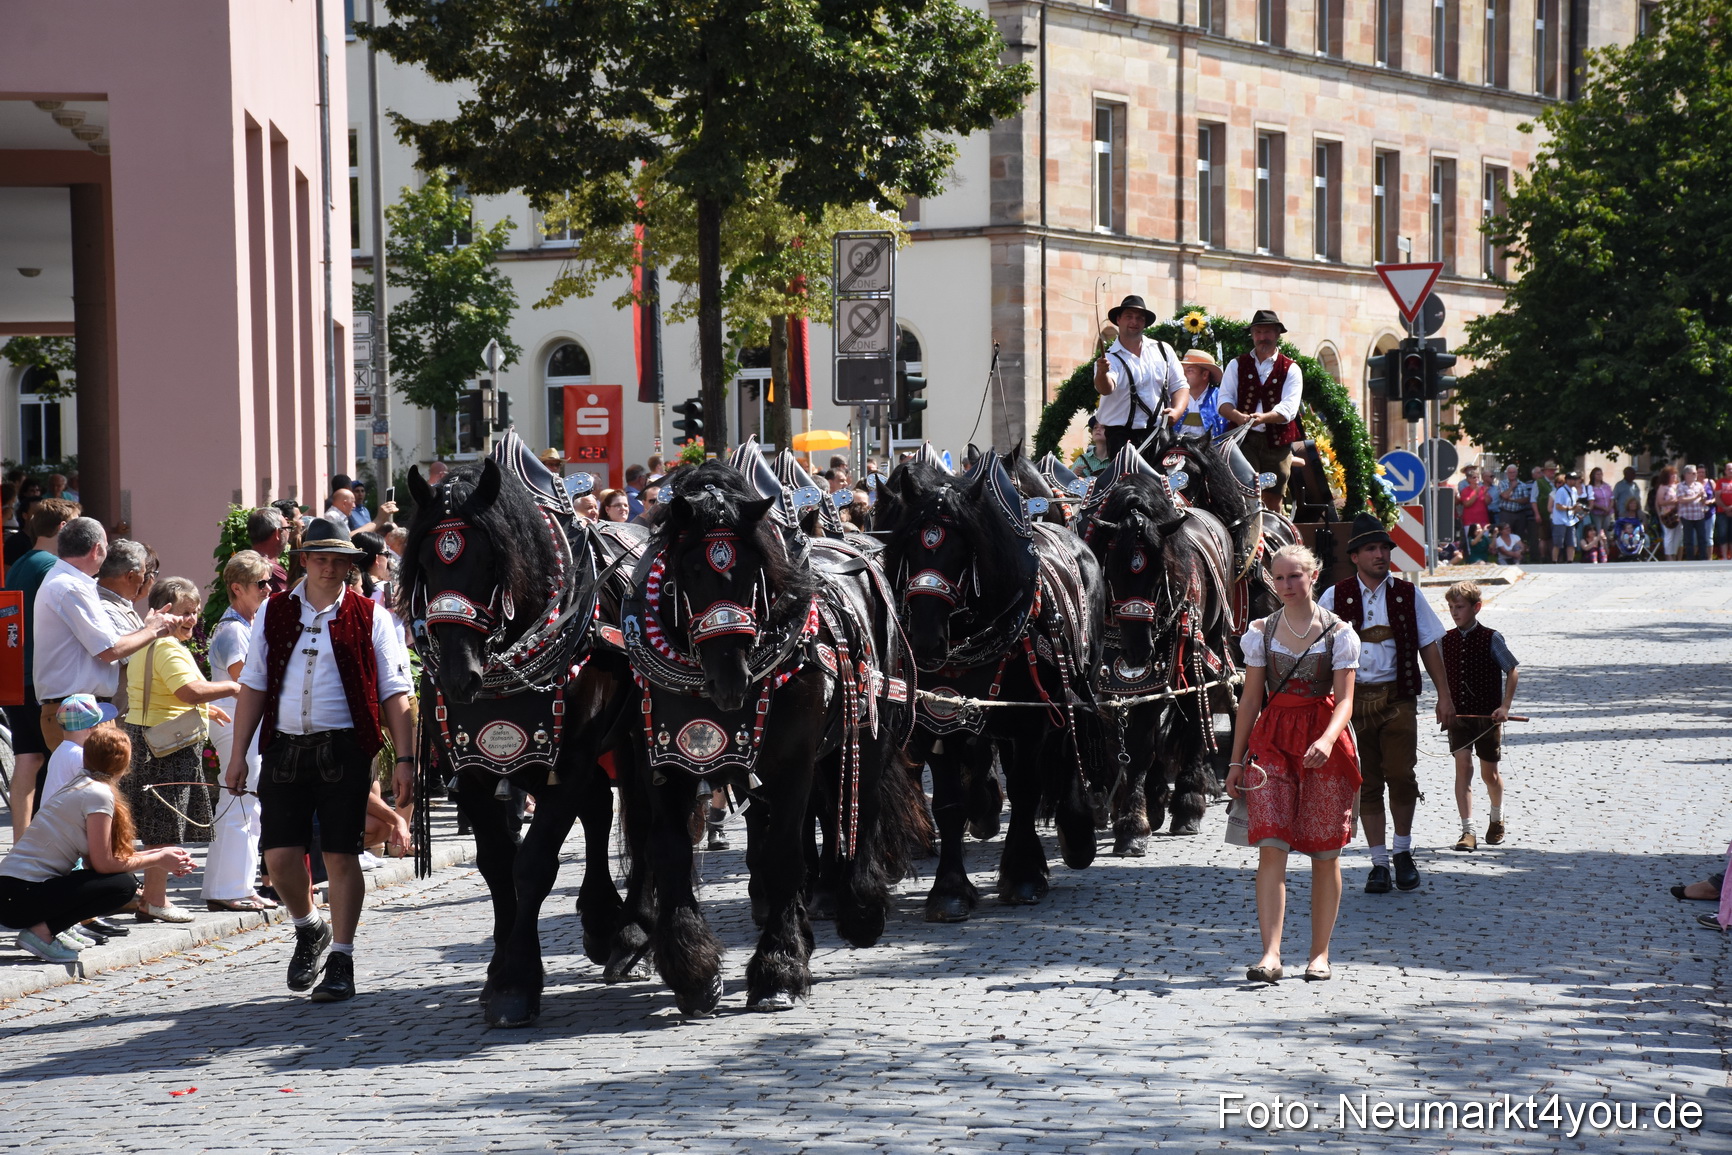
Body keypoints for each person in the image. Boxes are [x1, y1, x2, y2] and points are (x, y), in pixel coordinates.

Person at [225, 516, 416, 1002]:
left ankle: (343, 958)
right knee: (280, 857)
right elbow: (254, 684)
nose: (329, 568)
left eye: (338, 560)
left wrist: (406, 759)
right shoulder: (272, 612)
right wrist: (238, 755)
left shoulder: (371, 616)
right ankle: (309, 926)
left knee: (340, 853)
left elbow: (396, 692)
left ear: (350, 566)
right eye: (320, 558)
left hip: (346, 748)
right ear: (304, 561)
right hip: (284, 746)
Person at [1225, 543, 1360, 984]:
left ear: (1313, 574)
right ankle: (1270, 954)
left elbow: (1345, 703)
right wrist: (1234, 761)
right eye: (1279, 578)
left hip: (1323, 741)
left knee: (1325, 851)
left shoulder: (1339, 632)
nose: (1287, 585)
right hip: (1273, 742)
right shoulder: (1261, 631)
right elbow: (1249, 700)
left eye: (1295, 576)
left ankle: (1319, 954)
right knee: (1271, 847)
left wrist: (1326, 739)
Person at [1318, 512, 1454, 894]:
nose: (1381, 554)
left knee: (1402, 775)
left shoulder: (1408, 594)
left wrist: (1444, 695)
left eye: (1384, 548)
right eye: (1371, 548)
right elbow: (1319, 651)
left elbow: (1429, 643)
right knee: (1368, 781)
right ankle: (1378, 862)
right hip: (1352, 701)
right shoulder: (1335, 596)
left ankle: (1403, 852)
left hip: (1398, 698)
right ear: (1355, 556)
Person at [0, 728, 194, 963]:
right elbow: (104, 865)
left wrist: (161, 853)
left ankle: (49, 928)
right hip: (19, 896)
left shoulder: (84, 785)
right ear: (126, 762)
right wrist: (159, 859)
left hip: (14, 893)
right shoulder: (98, 794)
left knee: (114, 881)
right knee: (122, 885)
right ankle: (42, 932)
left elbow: (96, 861)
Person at [33, 518, 186, 812]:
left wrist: (149, 628)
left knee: (97, 808)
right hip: (76, 712)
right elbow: (110, 649)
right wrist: (152, 628)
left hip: (85, 709)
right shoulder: (70, 587)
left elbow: (111, 645)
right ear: (97, 549)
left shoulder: (74, 583)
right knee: (89, 811)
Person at [123, 576, 239, 923]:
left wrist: (207, 708)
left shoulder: (143, 643)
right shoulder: (168, 647)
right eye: (186, 613)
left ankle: (150, 899)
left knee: (158, 826)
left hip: (149, 737)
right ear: (165, 612)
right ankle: (155, 901)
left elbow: (168, 693)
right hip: (166, 747)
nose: (193, 619)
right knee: (164, 826)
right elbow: (187, 691)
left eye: (196, 612)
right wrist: (231, 687)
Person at [202, 551, 276, 912]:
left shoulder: (243, 626)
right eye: (261, 583)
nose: (268, 588)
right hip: (237, 727)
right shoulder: (233, 630)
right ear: (237, 588)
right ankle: (234, 887)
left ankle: (228, 885)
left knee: (238, 804)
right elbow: (244, 679)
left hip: (241, 726)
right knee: (242, 804)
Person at [4, 497, 81, 836]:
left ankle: (22, 839)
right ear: (64, 528)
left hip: (14, 672)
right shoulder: (52, 566)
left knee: (27, 758)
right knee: (56, 760)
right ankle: (51, 840)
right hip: (41, 676)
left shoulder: (20, 562)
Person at [1440, 581, 1519, 852]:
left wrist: (1504, 707)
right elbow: (1439, 675)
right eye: (1450, 607)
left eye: (1459, 607)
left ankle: (1497, 818)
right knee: (1463, 767)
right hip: (1458, 717)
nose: (1454, 612)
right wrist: (1443, 701)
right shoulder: (1445, 640)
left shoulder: (1491, 638)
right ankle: (1468, 831)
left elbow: (1512, 670)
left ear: (1476, 608)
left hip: (1487, 718)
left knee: (1490, 774)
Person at [1218, 310, 1302, 512]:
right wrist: (1238, 417)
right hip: (1243, 440)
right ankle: (1246, 538)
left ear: (1277, 334)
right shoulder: (1236, 364)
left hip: (1277, 443)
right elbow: (1223, 401)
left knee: (1273, 499)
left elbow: (1289, 409)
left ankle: (1271, 540)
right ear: (1252, 335)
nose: (1262, 337)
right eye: (1258, 332)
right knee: (1243, 494)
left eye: (1267, 332)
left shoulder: (1291, 368)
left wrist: (1263, 418)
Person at [1094, 294, 1189, 458]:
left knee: (1169, 480)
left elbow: (1180, 386)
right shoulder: (1109, 358)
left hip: (1159, 433)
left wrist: (1177, 411)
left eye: (1139, 318)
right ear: (1118, 320)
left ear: (1144, 323)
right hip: (1122, 437)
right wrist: (1102, 372)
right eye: (1129, 317)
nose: (1134, 322)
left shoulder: (1163, 350)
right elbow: (1106, 388)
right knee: (1129, 482)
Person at [42, 693, 120, 800]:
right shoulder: (80, 756)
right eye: (99, 725)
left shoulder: (60, 752)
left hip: (53, 815)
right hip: (65, 816)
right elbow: (99, 795)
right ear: (90, 728)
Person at [1177, 348, 1228, 438]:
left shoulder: (1221, 398)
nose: (1183, 375)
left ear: (1205, 375)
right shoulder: (1173, 397)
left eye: (1189, 371)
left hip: (1212, 450)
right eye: (1182, 370)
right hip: (1176, 449)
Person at [247, 507, 291, 594]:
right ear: (277, 533)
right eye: (287, 528)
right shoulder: (272, 569)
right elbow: (289, 603)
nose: (289, 532)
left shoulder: (242, 563)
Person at [1491, 463, 1535, 549]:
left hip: (1519, 513)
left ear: (1517, 473)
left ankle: (1518, 554)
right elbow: (1505, 496)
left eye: (1514, 472)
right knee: (1504, 534)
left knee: (1519, 535)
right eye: (1510, 472)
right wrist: (1512, 487)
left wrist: (1512, 500)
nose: (1512, 474)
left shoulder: (1522, 484)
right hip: (1506, 513)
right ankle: (1505, 553)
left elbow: (1526, 500)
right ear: (1507, 473)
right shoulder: (1502, 483)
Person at [325, 488, 396, 537]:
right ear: (344, 504)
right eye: (353, 502)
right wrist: (378, 520)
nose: (354, 506)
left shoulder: (341, 517)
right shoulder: (332, 516)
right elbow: (346, 539)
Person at [1676, 464, 1711, 561]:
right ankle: (1690, 558)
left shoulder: (1699, 485)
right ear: (1687, 474)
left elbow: (1703, 498)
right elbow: (1681, 500)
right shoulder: (1680, 486)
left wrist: (1703, 499)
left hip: (1699, 515)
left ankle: (1704, 557)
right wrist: (1696, 497)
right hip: (1686, 516)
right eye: (1694, 473)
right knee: (1688, 539)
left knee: (1702, 538)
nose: (1696, 475)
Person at [1549, 470, 1582, 564]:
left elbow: (1574, 503)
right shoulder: (1561, 491)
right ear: (1566, 480)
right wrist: (1571, 508)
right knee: (1558, 543)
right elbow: (1558, 506)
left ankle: (1570, 561)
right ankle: (1554, 561)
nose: (1573, 481)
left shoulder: (1574, 490)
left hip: (1570, 520)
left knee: (1571, 542)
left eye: (1575, 479)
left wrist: (1577, 511)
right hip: (1560, 520)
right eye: (1571, 479)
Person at [1654, 466, 1682, 560]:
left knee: (1678, 535)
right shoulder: (1663, 487)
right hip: (1667, 515)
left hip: (1678, 514)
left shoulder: (1678, 486)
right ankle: (1669, 555)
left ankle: (1674, 554)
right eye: (1671, 475)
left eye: (1675, 474)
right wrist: (1672, 502)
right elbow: (1660, 502)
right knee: (1669, 536)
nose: (1674, 476)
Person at [1530, 466, 1555, 563]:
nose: (1552, 472)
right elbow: (1533, 499)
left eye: (1553, 470)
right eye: (1550, 470)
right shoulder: (1539, 482)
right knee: (1543, 537)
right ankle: (1543, 557)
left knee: (1552, 537)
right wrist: (1537, 514)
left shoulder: (1556, 482)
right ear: (1545, 472)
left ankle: (1552, 557)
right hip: (1543, 514)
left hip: (1555, 516)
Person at [1585, 467, 1614, 542]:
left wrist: (1609, 508)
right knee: (1598, 532)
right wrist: (1602, 508)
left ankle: (1608, 548)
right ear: (1593, 475)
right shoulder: (1590, 487)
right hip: (1597, 513)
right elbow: (1591, 501)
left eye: (1601, 474)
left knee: (1608, 532)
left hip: (1607, 512)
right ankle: (1599, 548)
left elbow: (1612, 498)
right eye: (1597, 474)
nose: (1599, 476)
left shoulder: (1607, 486)